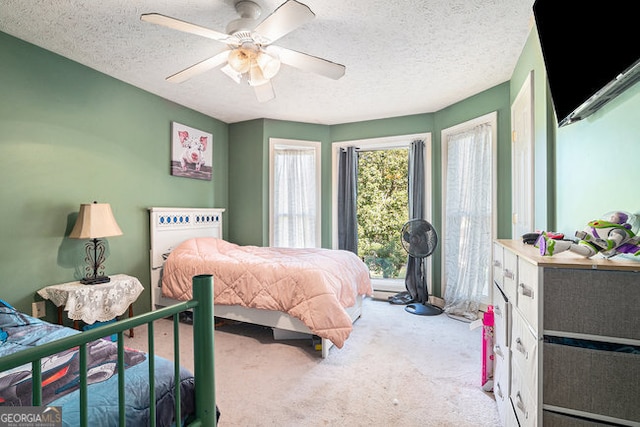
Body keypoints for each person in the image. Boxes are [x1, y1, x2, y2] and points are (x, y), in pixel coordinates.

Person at [537, 211, 640, 258]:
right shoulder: (609, 226)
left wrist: (599, 242)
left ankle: (550, 245)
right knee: (572, 244)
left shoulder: (619, 231)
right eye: (611, 216)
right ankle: (547, 243)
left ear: (620, 221)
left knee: (570, 246)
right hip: (588, 243)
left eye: (614, 217)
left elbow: (612, 242)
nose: (611, 218)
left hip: (592, 246)